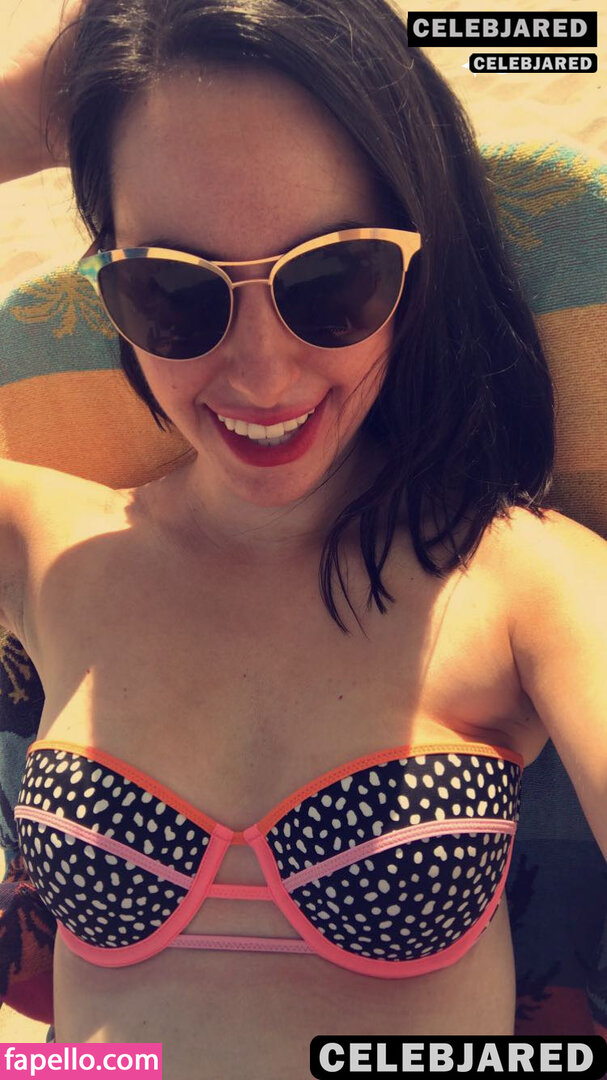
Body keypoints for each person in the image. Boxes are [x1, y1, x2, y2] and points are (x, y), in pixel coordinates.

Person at [0, 0, 605, 1072]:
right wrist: (58, 98)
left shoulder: (525, 576)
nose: (261, 373)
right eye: (171, 290)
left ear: (416, 273)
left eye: (332, 280)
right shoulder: (51, 544)